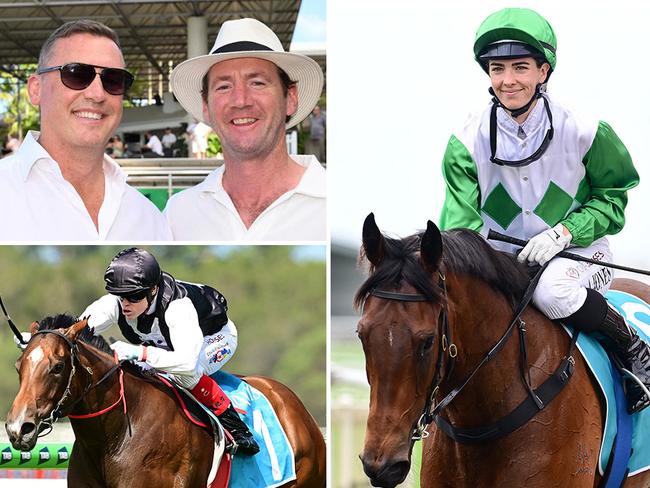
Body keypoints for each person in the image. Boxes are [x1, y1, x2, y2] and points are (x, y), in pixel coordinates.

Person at [439, 8, 646, 412]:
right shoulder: (464, 141)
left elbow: (614, 196)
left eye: (520, 67)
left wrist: (564, 232)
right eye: (497, 69)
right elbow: (460, 229)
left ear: (543, 71)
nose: (508, 80)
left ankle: (635, 351)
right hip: (500, 261)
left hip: (578, 254)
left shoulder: (587, 131)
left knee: (554, 292)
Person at [0, 20, 170, 241]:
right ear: (36, 89)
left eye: (113, 79)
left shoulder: (149, 219)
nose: (97, 94)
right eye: (76, 74)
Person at [82, 248, 260, 455]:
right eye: (121, 295)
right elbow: (74, 329)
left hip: (214, 338)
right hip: (167, 343)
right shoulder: (115, 302)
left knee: (184, 373)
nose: (125, 303)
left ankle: (238, 430)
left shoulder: (178, 307)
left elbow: (186, 362)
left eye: (135, 296)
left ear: (153, 290)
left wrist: (139, 353)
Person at [164, 18, 326, 241]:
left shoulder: (337, 204)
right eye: (224, 86)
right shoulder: (177, 215)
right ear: (206, 107)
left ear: (290, 97)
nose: (240, 100)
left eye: (257, 83)